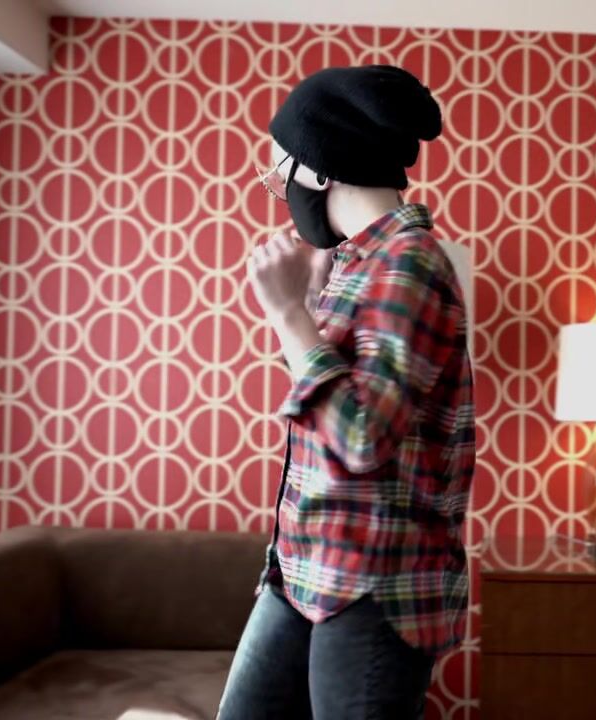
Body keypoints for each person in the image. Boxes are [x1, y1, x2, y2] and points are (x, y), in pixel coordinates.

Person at [216, 65, 475, 720]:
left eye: (280, 171)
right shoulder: (357, 263)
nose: (278, 188)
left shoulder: (409, 263)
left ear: (319, 170)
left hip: (372, 585)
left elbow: (363, 437)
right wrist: (306, 308)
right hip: (302, 567)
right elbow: (332, 411)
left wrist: (288, 315)